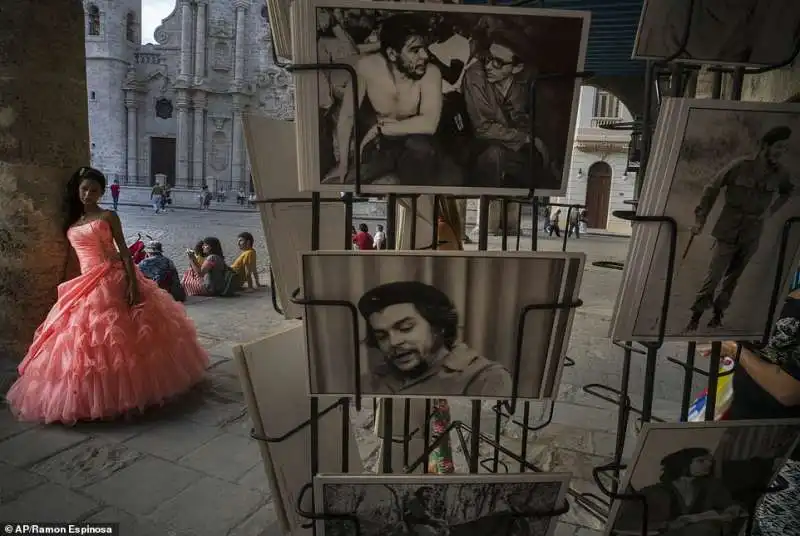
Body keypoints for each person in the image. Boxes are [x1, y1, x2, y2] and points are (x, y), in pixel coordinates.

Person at [5, 166, 208, 424]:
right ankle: (87, 396)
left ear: (102, 193)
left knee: (118, 336)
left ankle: (130, 392)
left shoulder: (108, 216)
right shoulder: (74, 222)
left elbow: (124, 251)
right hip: (86, 280)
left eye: (94, 190)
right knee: (80, 339)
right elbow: (75, 257)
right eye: (85, 189)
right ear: (78, 191)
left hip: (112, 275)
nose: (88, 194)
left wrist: (133, 284)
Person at [329, 13, 461, 187]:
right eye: (415, 50)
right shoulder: (367, 67)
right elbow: (347, 116)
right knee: (340, 184)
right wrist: (343, 164)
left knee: (423, 152)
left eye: (425, 48)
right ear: (392, 54)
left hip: (419, 146)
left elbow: (429, 124)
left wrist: (381, 128)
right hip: (382, 147)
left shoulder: (431, 72)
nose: (425, 55)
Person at [687, 126, 795, 331]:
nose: (781, 152)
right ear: (765, 146)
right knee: (715, 275)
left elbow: (787, 192)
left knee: (733, 278)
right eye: (778, 147)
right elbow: (711, 188)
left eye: (784, 149)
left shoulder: (781, 173)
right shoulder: (740, 166)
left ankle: (718, 315)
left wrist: (771, 211)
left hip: (752, 231)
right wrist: (700, 220)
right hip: (729, 228)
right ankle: (696, 316)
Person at [717, 283, 800, 536]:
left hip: (787, 453)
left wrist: (737, 350)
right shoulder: (789, 284)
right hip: (750, 435)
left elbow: (789, 390)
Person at [358, 281, 512, 397]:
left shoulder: (485, 378)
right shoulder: (371, 380)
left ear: (439, 326)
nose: (394, 342)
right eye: (382, 336)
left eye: (405, 328)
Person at [461, 29, 558, 189]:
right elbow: (483, 129)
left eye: (498, 62)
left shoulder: (528, 82)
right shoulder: (475, 76)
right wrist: (526, 138)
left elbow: (539, 123)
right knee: (493, 155)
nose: (489, 66)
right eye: (488, 58)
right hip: (479, 146)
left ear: (517, 68)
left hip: (517, 149)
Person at [612, 447, 746, 536]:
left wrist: (731, 511)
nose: (708, 464)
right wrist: (666, 525)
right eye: (701, 461)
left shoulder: (712, 487)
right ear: (684, 464)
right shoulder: (655, 492)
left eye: (710, 461)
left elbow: (733, 506)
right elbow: (622, 524)